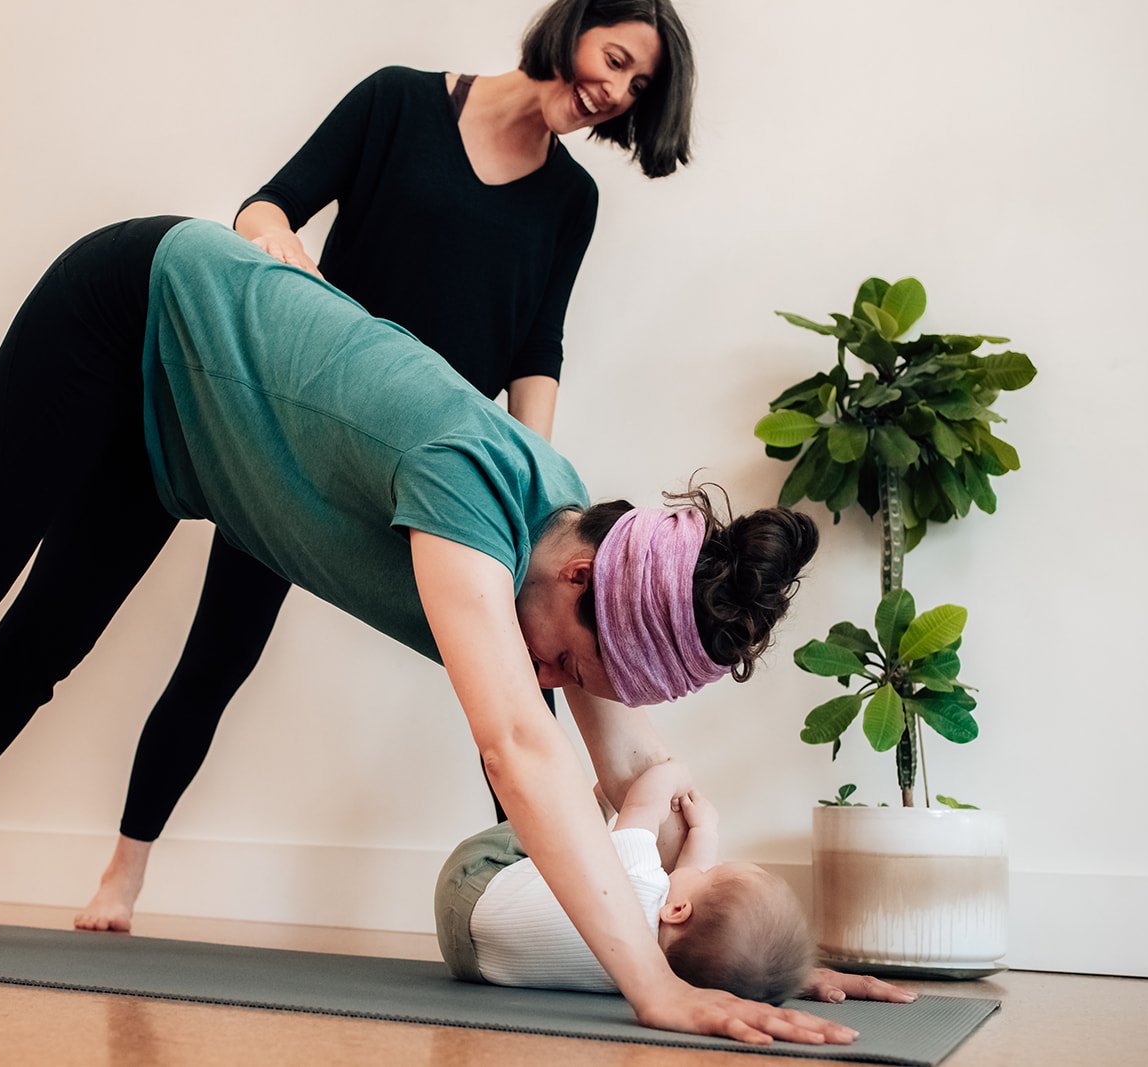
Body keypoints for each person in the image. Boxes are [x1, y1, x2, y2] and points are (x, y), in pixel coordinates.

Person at [0, 217, 855, 1044]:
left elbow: (635, 771)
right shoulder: (469, 483)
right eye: (566, 654)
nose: (553, 674)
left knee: (45, 644)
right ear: (583, 566)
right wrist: (650, 987)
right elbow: (519, 743)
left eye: (570, 669)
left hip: (183, 427)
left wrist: (760, 950)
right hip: (129, 307)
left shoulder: (572, 556)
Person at [77, 0, 699, 932]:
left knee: (531, 685)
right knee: (218, 653)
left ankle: (562, 903)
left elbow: (538, 344)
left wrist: (544, 479)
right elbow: (269, 205)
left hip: (447, 473)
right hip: (308, 431)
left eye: (636, 87)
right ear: (570, 28)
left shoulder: (572, 201)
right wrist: (272, 254)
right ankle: (120, 879)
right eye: (614, 59)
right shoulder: (398, 104)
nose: (613, 92)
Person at [441, 764, 865, 1003]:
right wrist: (705, 834)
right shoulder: (657, 973)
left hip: (475, 878)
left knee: (582, 824)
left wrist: (671, 772)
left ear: (677, 910)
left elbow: (643, 799)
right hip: (473, 965)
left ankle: (591, 798)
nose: (703, 865)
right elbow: (687, 879)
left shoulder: (636, 885)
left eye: (712, 871)